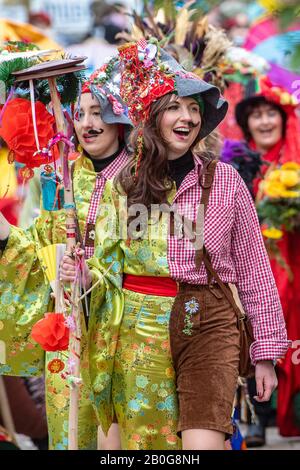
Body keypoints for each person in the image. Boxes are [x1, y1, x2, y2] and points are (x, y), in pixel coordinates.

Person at [60, 39, 290, 450]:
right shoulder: (121, 183)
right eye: (175, 107)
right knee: (147, 448)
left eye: (195, 110)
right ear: (151, 117)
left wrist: (265, 352)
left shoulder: (226, 181)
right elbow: (102, 262)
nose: (187, 117)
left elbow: (256, 271)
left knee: (202, 445)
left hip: (208, 321)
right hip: (134, 329)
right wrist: (80, 272)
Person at [0, 58, 132, 449]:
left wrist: (96, 275)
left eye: (99, 112)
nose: (87, 123)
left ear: (121, 118)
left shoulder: (143, 179)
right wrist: (6, 236)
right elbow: (37, 256)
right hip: (69, 332)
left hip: (129, 336)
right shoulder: (60, 180)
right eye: (80, 113)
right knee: (70, 436)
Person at [234, 76, 300, 439]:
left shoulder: (296, 158)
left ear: (283, 118)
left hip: (293, 258)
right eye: (256, 116)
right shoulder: (238, 162)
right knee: (253, 322)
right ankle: (257, 413)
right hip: (254, 263)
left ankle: (291, 410)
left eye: (270, 114)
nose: (263, 122)